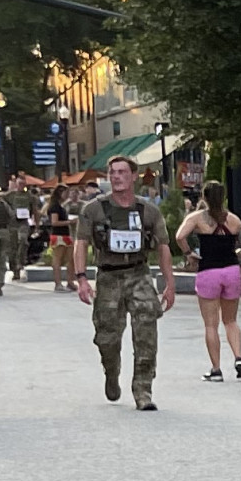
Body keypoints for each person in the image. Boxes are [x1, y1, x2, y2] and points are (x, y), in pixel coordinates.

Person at [73, 154, 177, 408]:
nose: (117, 176)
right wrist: (82, 279)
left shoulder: (148, 211)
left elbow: (163, 247)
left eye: (122, 172)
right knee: (107, 337)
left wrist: (169, 283)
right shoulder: (93, 209)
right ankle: (111, 371)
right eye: (113, 173)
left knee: (146, 333)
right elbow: (81, 243)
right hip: (108, 276)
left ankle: (143, 390)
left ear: (133, 177)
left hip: (139, 274)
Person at [176, 179, 241, 379]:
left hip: (208, 271)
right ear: (224, 197)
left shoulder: (197, 218)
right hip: (231, 270)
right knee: (231, 320)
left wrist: (189, 253)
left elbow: (179, 236)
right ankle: (238, 357)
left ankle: (216, 369)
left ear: (204, 197)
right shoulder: (235, 220)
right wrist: (233, 251)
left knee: (211, 324)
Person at [45, 181, 75, 292]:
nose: (67, 196)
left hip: (65, 234)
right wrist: (69, 222)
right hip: (58, 235)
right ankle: (58, 283)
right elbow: (54, 222)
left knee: (70, 259)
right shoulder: (55, 207)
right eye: (66, 193)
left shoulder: (60, 206)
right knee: (57, 259)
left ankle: (70, 281)